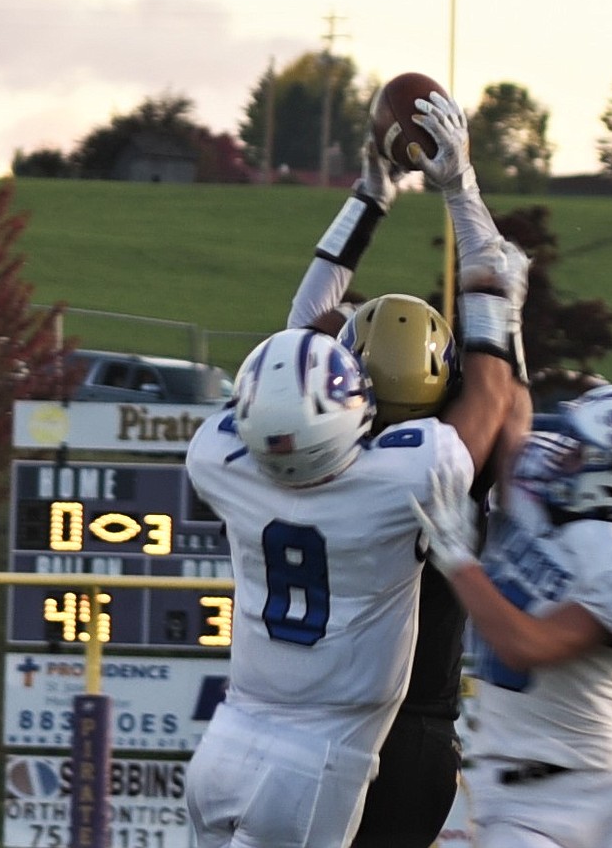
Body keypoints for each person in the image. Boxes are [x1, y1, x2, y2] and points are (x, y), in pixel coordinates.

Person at [184, 86, 529, 848]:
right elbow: (497, 385)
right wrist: (462, 193)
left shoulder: (228, 459)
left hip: (234, 735)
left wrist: (367, 199)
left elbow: (296, 343)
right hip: (359, 752)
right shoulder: (413, 473)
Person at [409, 384, 612, 847]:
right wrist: (496, 319)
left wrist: (459, 562)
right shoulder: (540, 500)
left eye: (580, 451)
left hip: (601, 789)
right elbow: (508, 402)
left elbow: (526, 646)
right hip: (498, 796)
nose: (560, 456)